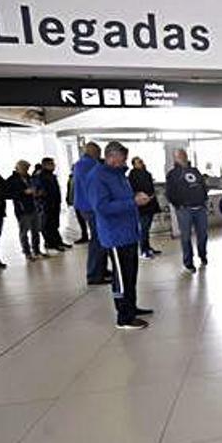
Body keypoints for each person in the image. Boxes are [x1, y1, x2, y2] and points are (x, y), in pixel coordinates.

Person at [88, 141, 154, 330]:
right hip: (115, 235)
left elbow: (123, 198)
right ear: (110, 157)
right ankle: (124, 317)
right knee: (122, 277)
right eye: (120, 160)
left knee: (131, 274)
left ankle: (131, 307)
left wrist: (135, 197)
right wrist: (132, 202)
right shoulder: (97, 177)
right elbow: (101, 207)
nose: (123, 163)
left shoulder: (118, 174)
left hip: (129, 232)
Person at [166, 149, 209, 275]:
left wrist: (204, 199)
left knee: (203, 235)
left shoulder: (194, 171)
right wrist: (178, 205)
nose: (182, 157)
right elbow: (169, 192)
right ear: (175, 158)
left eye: (183, 155)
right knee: (185, 237)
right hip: (184, 210)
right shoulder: (172, 174)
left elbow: (202, 185)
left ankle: (202, 255)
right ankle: (188, 262)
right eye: (179, 156)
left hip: (200, 208)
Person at [74, 142, 111, 285]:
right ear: (92, 152)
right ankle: (95, 274)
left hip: (86, 206)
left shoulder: (81, 164)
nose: (100, 154)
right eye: (98, 151)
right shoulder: (89, 165)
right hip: (92, 207)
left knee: (99, 239)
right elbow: (97, 185)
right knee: (98, 240)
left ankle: (100, 270)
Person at [6, 160, 46, 261]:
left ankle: (36, 251)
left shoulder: (29, 177)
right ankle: (27, 253)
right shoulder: (12, 180)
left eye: (27, 168)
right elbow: (8, 194)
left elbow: (34, 189)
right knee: (24, 232)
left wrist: (37, 192)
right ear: (18, 168)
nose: (26, 170)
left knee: (36, 231)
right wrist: (23, 192)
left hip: (34, 207)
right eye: (24, 168)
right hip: (22, 209)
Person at [128, 157, 162, 259]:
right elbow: (133, 190)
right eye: (139, 162)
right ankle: (143, 250)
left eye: (141, 161)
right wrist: (141, 196)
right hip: (142, 206)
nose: (141, 163)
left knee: (147, 229)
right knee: (143, 229)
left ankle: (148, 247)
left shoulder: (146, 173)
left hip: (151, 204)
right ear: (134, 164)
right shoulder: (132, 175)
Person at [36, 157, 71, 252]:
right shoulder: (41, 176)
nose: (54, 166)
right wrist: (43, 200)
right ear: (45, 165)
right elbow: (40, 191)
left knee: (55, 224)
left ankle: (58, 241)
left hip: (54, 204)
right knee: (48, 225)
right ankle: (51, 243)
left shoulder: (51, 175)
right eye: (51, 164)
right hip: (46, 205)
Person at [66, 172, 89, 243]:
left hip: (82, 202)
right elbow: (69, 189)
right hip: (75, 202)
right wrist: (68, 199)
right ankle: (84, 236)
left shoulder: (82, 178)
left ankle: (90, 236)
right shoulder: (71, 178)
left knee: (86, 220)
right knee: (81, 220)